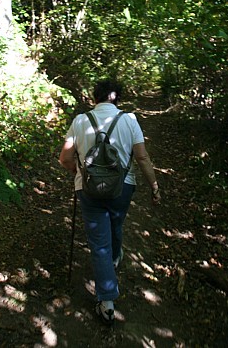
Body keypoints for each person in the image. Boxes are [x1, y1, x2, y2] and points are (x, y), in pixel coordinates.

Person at [59, 79, 160, 326]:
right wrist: (154, 186)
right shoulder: (130, 120)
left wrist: (78, 173)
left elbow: (64, 158)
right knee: (116, 223)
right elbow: (142, 157)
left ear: (95, 97)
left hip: (89, 189)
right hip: (122, 188)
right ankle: (115, 257)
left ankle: (106, 302)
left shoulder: (80, 121)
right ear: (117, 98)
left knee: (98, 242)